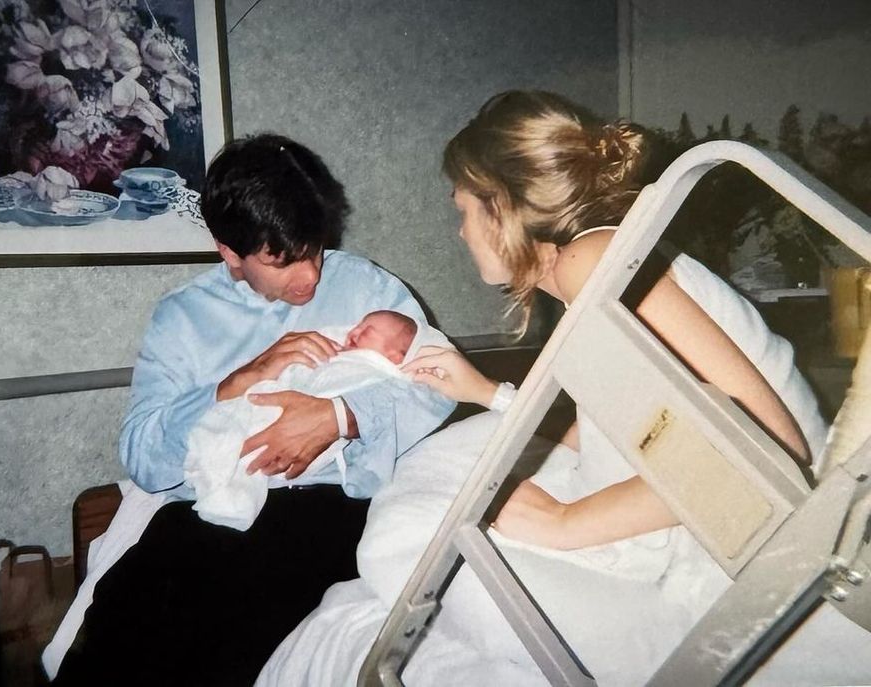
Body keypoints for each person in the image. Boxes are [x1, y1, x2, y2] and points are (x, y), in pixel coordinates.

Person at [53, 134, 455, 685]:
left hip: (331, 506)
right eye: (283, 260)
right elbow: (143, 457)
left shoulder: (364, 286)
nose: (310, 276)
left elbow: (441, 382)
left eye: (314, 248)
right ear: (230, 254)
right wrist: (235, 382)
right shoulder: (183, 318)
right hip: (210, 510)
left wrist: (340, 416)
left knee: (251, 635)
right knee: (125, 622)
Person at [403, 89, 827, 552]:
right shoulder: (591, 268)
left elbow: (774, 450)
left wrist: (563, 523)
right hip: (740, 523)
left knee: (411, 528)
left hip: (781, 536)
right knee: (431, 487)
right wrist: (487, 393)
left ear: (500, 208)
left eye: (461, 209)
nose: (460, 230)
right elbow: (620, 432)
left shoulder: (591, 261)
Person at [186, 310, 423, 531]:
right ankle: (221, 476)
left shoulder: (378, 373)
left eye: (366, 331)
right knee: (241, 419)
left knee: (251, 445)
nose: (354, 332)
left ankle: (231, 494)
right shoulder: (336, 352)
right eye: (357, 326)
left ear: (394, 356)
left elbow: (354, 392)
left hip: (317, 476)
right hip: (285, 414)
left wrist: (335, 413)